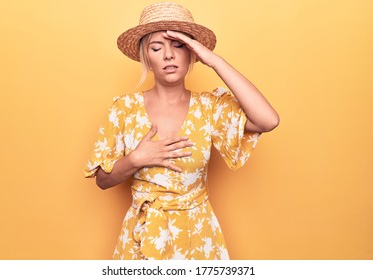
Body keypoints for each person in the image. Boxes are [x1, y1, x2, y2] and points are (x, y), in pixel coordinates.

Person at [84, 1, 279, 260]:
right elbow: (102, 180)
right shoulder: (124, 108)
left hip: (197, 235)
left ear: (192, 54)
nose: (168, 55)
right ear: (146, 57)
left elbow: (267, 120)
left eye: (179, 46)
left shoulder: (210, 107)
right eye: (156, 48)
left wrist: (216, 62)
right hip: (142, 234)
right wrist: (136, 159)